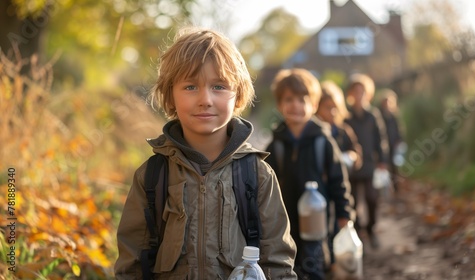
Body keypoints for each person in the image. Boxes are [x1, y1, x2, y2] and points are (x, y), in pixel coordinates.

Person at [114, 27, 297, 279]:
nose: (205, 99)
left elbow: (278, 263)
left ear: (239, 95)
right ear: (170, 95)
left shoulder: (257, 175)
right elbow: (131, 265)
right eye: (190, 87)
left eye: (219, 86)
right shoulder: (152, 176)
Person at [264, 68, 354, 280]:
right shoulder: (275, 145)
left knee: (314, 268)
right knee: (287, 268)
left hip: (317, 222)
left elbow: (338, 181)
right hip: (284, 225)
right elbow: (264, 187)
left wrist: (344, 214)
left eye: (302, 100)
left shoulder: (323, 142)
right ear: (279, 105)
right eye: (289, 99)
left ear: (314, 105)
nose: (295, 105)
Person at [316, 80, 362, 272]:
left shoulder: (343, 131)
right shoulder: (316, 135)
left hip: (342, 188)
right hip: (320, 193)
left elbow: (357, 152)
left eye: (335, 108)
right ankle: (328, 264)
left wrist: (351, 157)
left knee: (341, 225)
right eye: (327, 108)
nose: (332, 113)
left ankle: (339, 265)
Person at [344, 73, 389, 249]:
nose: (359, 94)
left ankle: (371, 229)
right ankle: (357, 233)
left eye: (362, 91)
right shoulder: (346, 116)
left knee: (372, 198)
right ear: (350, 94)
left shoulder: (373, 116)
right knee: (353, 201)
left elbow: (381, 140)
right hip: (352, 168)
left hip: (370, 165)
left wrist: (383, 161)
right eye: (355, 91)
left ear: (368, 93)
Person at [378, 89, 404, 194]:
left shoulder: (394, 116)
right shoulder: (379, 116)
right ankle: (384, 190)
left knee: (395, 168)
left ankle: (396, 188)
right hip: (384, 146)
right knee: (384, 167)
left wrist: (400, 141)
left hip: (394, 146)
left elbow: (399, 131)